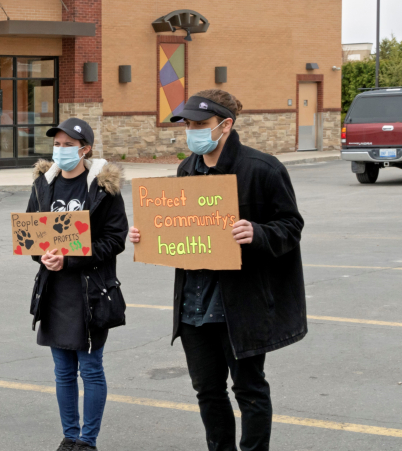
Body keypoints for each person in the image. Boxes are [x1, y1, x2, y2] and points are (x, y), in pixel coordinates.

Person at [129, 89, 305, 451]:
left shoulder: (263, 169)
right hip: (194, 305)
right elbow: (177, 226)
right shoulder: (185, 170)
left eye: (200, 124)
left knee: (249, 390)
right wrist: (148, 233)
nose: (192, 130)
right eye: (188, 124)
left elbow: (291, 225)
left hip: (241, 303)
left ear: (225, 125)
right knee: (208, 391)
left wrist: (257, 232)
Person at [26, 118, 128, 451]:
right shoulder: (44, 184)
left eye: (68, 145)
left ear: (85, 149)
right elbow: (31, 235)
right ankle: (70, 435)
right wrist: (43, 257)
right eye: (57, 144)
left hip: (90, 290)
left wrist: (70, 260)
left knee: (90, 367)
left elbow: (115, 239)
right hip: (54, 290)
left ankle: (88, 439)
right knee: (62, 369)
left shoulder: (102, 187)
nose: (60, 150)